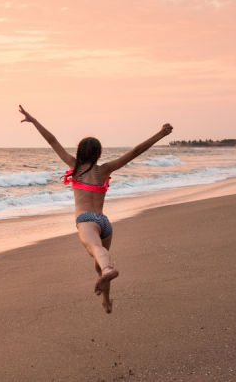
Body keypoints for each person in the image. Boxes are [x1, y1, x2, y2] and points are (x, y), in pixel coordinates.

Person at [19, 105, 173, 313]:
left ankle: (108, 269)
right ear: (98, 153)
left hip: (87, 220)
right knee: (99, 260)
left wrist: (34, 120)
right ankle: (106, 299)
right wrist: (160, 134)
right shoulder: (105, 170)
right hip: (104, 222)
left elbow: (52, 141)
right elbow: (136, 151)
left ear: (80, 152)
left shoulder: (74, 167)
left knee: (97, 251)